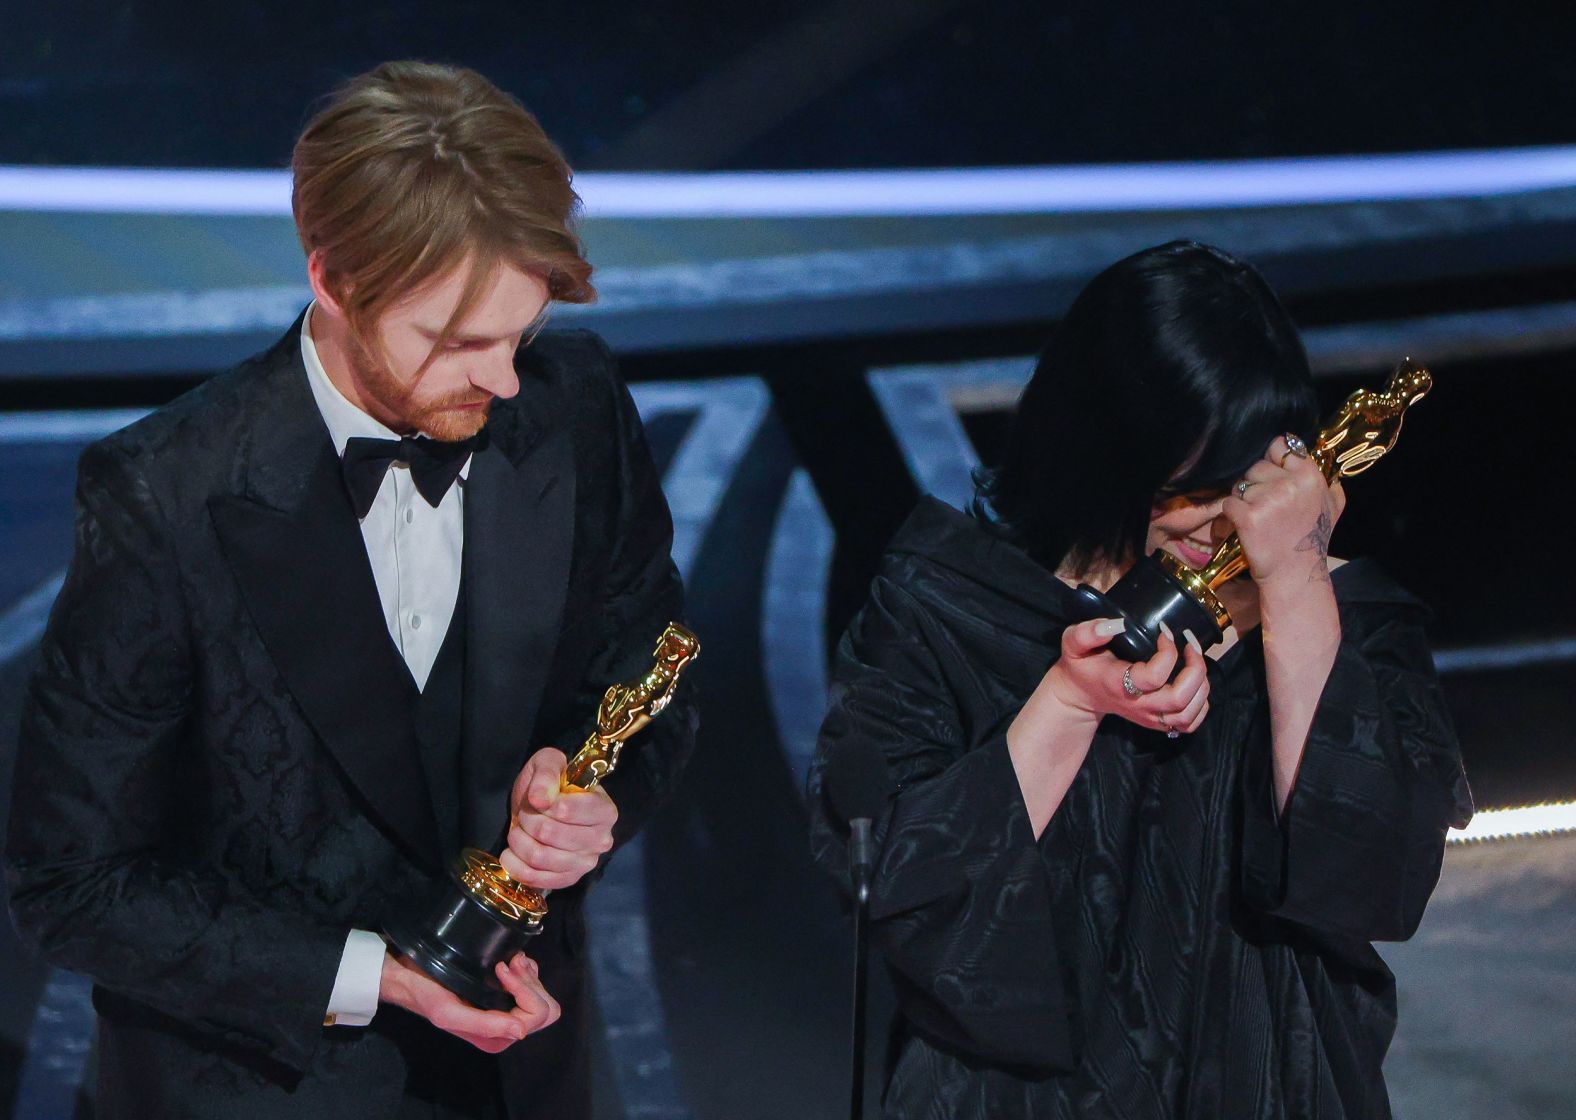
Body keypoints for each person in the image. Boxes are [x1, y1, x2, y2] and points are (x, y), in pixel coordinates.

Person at [4, 61, 695, 1120]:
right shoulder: (166, 495)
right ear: (332, 280)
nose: (503, 380)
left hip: (517, 1081)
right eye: (458, 341)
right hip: (254, 1089)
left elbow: (652, 672)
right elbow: (72, 885)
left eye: (523, 332)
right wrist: (374, 972)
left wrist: (597, 798)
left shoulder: (577, 404)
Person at [809, 241, 1471, 1119]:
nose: (1222, 521)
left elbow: (1377, 876)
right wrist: (1070, 702)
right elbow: (899, 885)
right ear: (1104, 453)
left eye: (1248, 479)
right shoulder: (953, 605)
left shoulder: (1344, 619)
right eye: (1190, 488)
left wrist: (1298, 581)